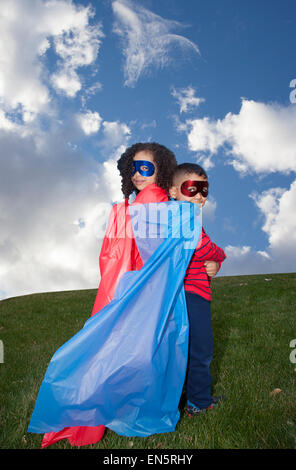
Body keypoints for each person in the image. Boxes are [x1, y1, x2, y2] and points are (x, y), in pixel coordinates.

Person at [28, 143, 201, 448]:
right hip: (135, 290)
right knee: (143, 350)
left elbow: (165, 248)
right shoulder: (134, 204)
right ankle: (119, 405)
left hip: (137, 290)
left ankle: (102, 406)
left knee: (124, 350)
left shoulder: (152, 201)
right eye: (132, 168)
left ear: (161, 169)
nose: (137, 174)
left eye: (145, 167)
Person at [169, 162, 226, 416]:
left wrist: (212, 264)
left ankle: (189, 394)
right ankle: (199, 402)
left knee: (186, 348)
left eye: (204, 189)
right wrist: (220, 256)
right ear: (174, 191)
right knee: (201, 349)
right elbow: (204, 248)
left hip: (189, 293)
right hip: (192, 295)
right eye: (192, 188)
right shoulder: (183, 215)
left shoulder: (180, 215)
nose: (200, 195)